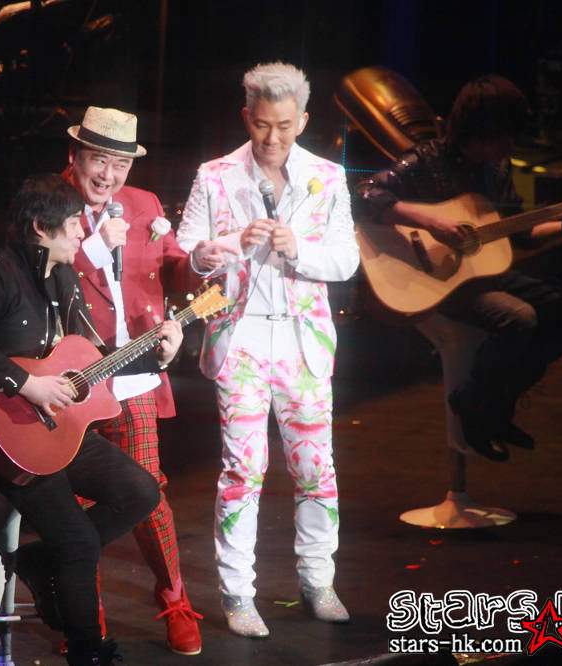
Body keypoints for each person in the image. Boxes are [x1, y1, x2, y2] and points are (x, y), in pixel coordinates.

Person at [0, 174, 184, 665]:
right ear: (42, 226)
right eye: (74, 223)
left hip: (58, 429)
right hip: (7, 435)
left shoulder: (63, 277)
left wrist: (157, 357)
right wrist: (25, 383)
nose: (82, 232)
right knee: (77, 541)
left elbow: (92, 359)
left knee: (142, 491)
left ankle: (41, 559)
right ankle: (87, 652)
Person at [176, 62, 359, 637]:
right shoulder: (215, 176)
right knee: (243, 469)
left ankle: (318, 579)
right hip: (242, 340)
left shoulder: (327, 176)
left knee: (315, 467)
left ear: (302, 121)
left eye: (283, 125)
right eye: (261, 125)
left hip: (304, 343)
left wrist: (298, 249)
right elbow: (188, 253)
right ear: (246, 118)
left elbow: (346, 259)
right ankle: (238, 592)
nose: (272, 138)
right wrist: (229, 244)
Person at [355, 74, 562, 461]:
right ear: (481, 129)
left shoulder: (497, 168)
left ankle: (493, 403)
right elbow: (365, 193)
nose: (510, 145)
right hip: (432, 280)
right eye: (504, 134)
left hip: (482, 274)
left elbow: (522, 231)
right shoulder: (426, 159)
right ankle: (476, 406)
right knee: (519, 318)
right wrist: (430, 222)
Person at [62, 106, 223, 655]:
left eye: (120, 164)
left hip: (133, 376)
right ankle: (84, 616)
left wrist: (196, 262)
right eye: (98, 161)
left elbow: (172, 268)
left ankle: (175, 597)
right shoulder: (48, 202)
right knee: (74, 506)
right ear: (75, 156)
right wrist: (93, 248)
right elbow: (36, 273)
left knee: (147, 491)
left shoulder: (145, 204)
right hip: (71, 381)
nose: (108, 175)